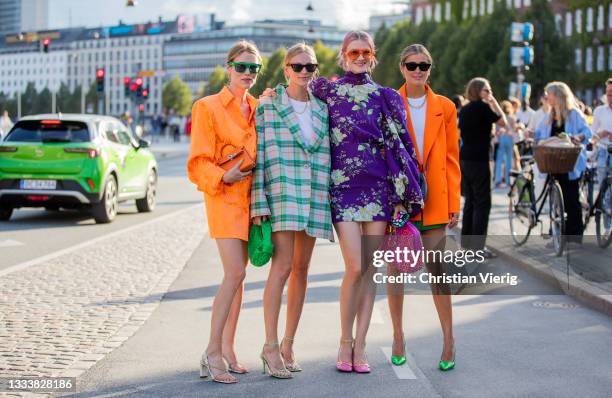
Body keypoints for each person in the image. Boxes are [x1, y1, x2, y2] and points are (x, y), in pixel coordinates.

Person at [310, 31, 422, 374]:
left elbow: (402, 147)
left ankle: (361, 347)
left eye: (366, 51)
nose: (360, 56)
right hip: (342, 188)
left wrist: (402, 198)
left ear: (373, 56)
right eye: (353, 51)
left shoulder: (385, 96)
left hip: (379, 190)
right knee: (355, 267)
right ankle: (344, 340)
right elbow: (294, 96)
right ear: (343, 55)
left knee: (371, 270)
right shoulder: (325, 90)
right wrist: (267, 96)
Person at [251, 43, 334, 379]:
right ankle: (269, 346)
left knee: (302, 268)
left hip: (313, 195)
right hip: (282, 194)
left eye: (309, 67)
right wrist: (258, 201)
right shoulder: (268, 105)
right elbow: (255, 156)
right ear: (285, 69)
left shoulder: (321, 109)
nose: (303, 72)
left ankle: (288, 344)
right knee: (282, 267)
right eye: (297, 66)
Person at [187, 40, 262, 384]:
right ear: (228, 67)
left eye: (254, 68)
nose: (248, 73)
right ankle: (211, 352)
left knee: (240, 276)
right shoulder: (207, 107)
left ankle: (228, 349)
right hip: (224, 197)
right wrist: (224, 175)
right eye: (242, 67)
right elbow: (197, 162)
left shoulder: (260, 108)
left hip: (253, 201)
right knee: (234, 273)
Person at [388, 43, 461, 371]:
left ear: (430, 68)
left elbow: (450, 158)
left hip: (434, 200)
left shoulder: (445, 106)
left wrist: (452, 200)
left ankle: (449, 340)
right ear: (402, 67)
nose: (418, 70)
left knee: (437, 270)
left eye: (424, 64)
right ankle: (398, 336)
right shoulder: (389, 102)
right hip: (400, 200)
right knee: (395, 271)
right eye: (412, 64)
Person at [534, 82, 592, 243]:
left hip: (569, 162)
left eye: (549, 94)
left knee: (571, 199)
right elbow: (539, 132)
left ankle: (574, 236)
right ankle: (559, 234)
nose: (547, 98)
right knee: (557, 201)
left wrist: (578, 137)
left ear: (558, 96)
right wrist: (530, 133)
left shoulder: (574, 114)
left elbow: (587, 132)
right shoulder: (550, 115)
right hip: (552, 162)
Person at [459, 77, 507, 256]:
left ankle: (467, 244)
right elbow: (503, 122)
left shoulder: (464, 109)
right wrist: (493, 102)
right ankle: (478, 247)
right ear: (479, 91)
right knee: (482, 202)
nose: (490, 93)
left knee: (470, 201)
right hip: (479, 159)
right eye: (487, 90)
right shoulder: (483, 107)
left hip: (465, 158)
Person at [494, 100, 518, 188]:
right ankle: (508, 181)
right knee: (509, 160)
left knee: (499, 160)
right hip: (509, 138)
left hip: (501, 138)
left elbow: (496, 131)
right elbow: (514, 129)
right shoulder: (512, 117)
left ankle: (498, 180)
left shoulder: (499, 117)